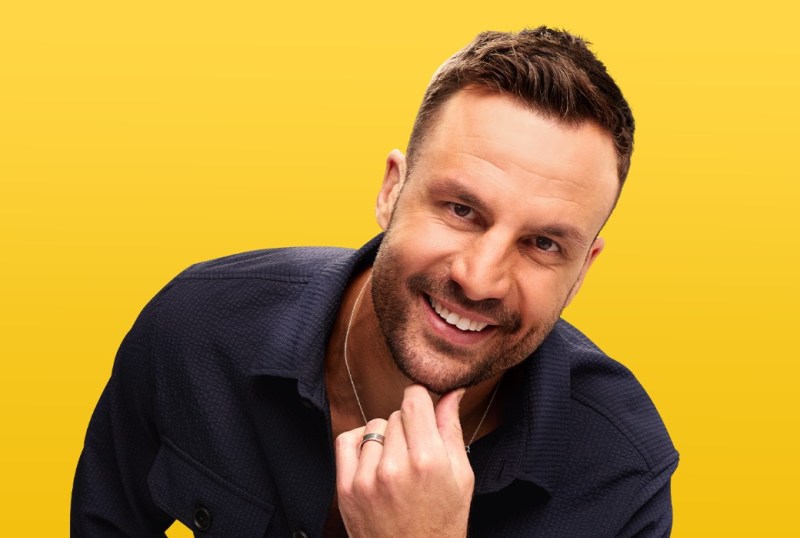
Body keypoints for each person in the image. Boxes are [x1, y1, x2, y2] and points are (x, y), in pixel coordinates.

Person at [72, 27, 678, 537]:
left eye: (544, 244)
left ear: (582, 271)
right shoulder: (196, 329)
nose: (479, 278)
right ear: (392, 191)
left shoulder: (620, 469)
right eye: (461, 210)